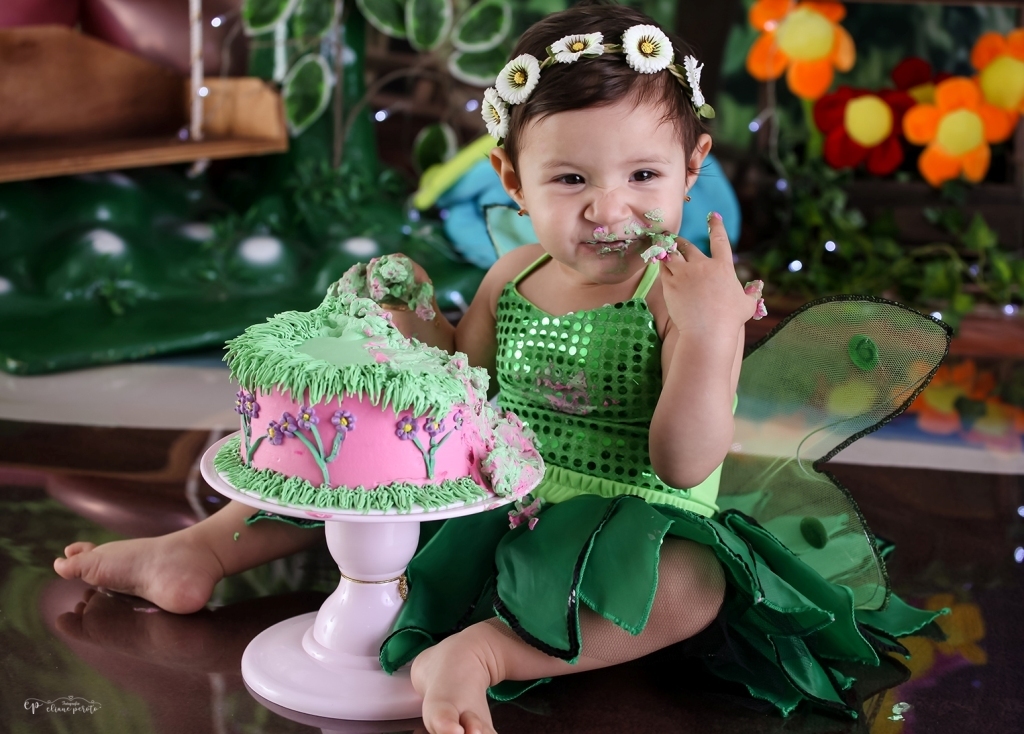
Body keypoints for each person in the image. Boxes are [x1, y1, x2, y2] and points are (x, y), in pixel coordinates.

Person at [56, 3, 949, 733]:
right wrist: (418, 325)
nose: (609, 209)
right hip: (499, 492)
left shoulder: (678, 298)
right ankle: (199, 551)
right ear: (512, 180)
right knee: (357, 457)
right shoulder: (512, 276)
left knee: (695, 584)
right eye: (570, 180)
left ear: (693, 169)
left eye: (644, 175)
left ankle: (488, 651)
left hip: (623, 521)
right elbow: (463, 389)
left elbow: (684, 466)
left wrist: (714, 337)